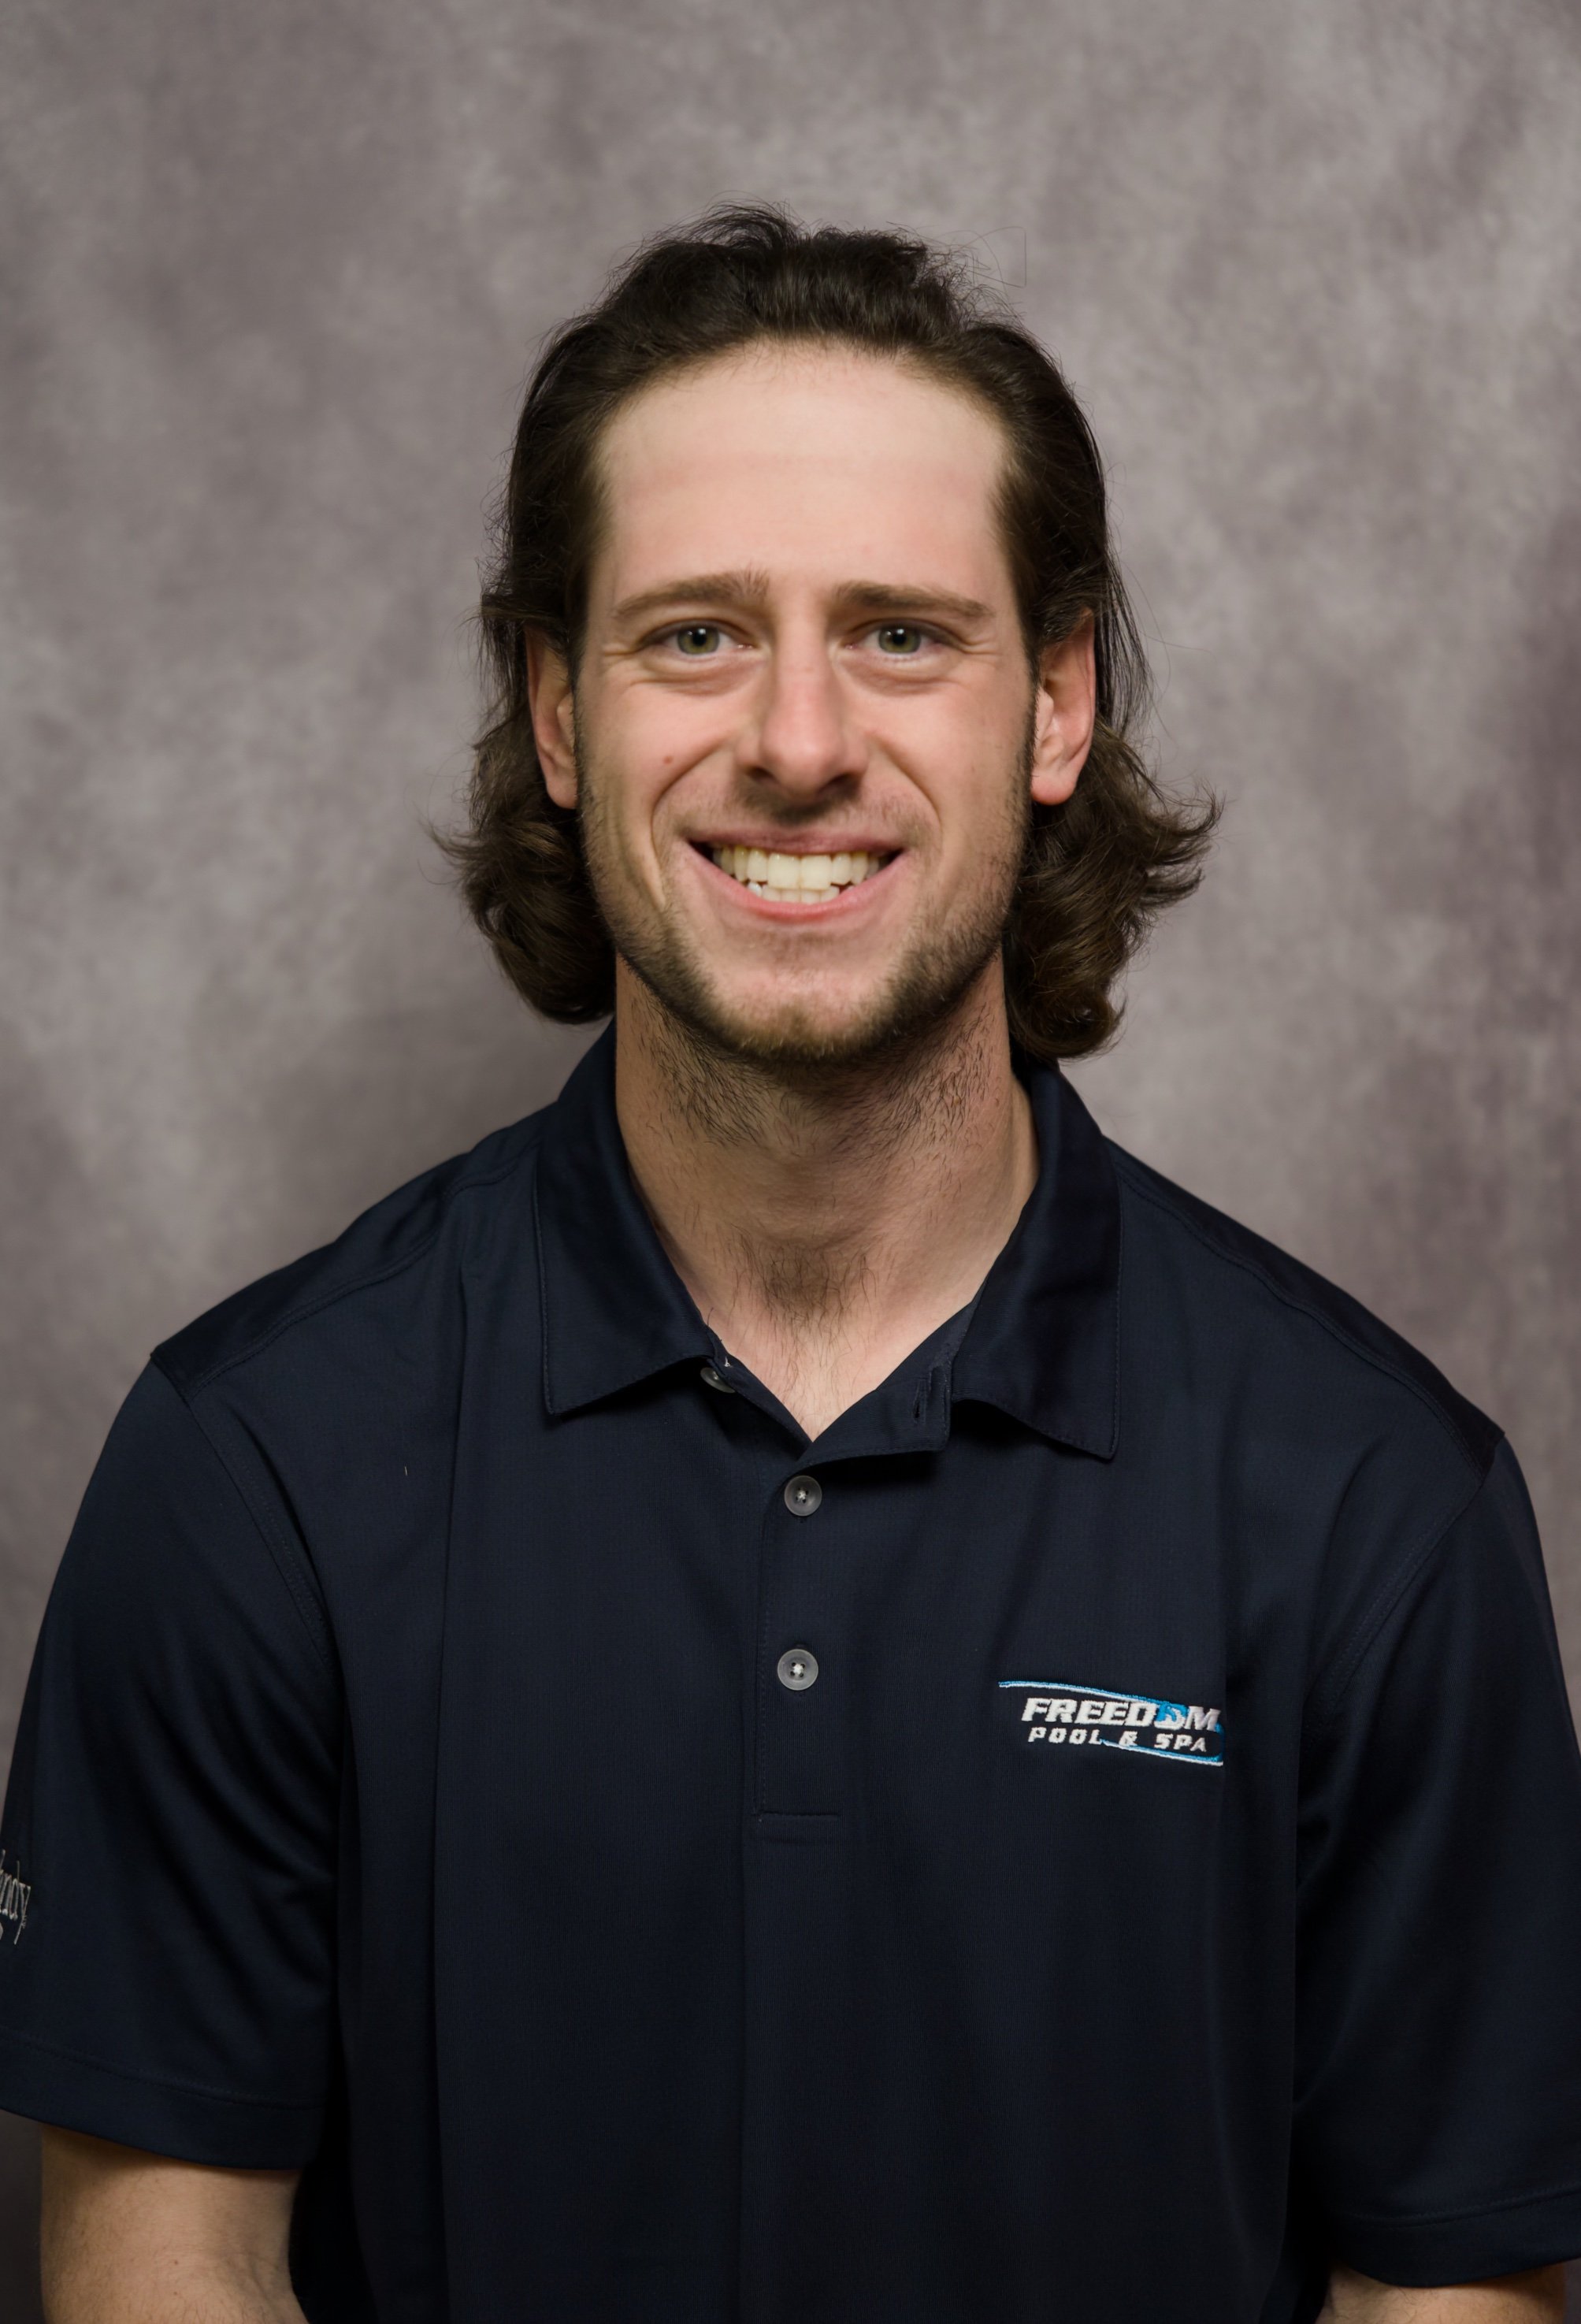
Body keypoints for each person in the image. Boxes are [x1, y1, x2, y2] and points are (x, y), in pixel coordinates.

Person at [2, 207, 1578, 2324]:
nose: (804, 741)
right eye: (696, 637)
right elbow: (164, 2252)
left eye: (906, 634)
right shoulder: (255, 1469)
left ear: (1059, 705)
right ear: (560, 717)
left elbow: (1450, 2287)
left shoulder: (1377, 1505)